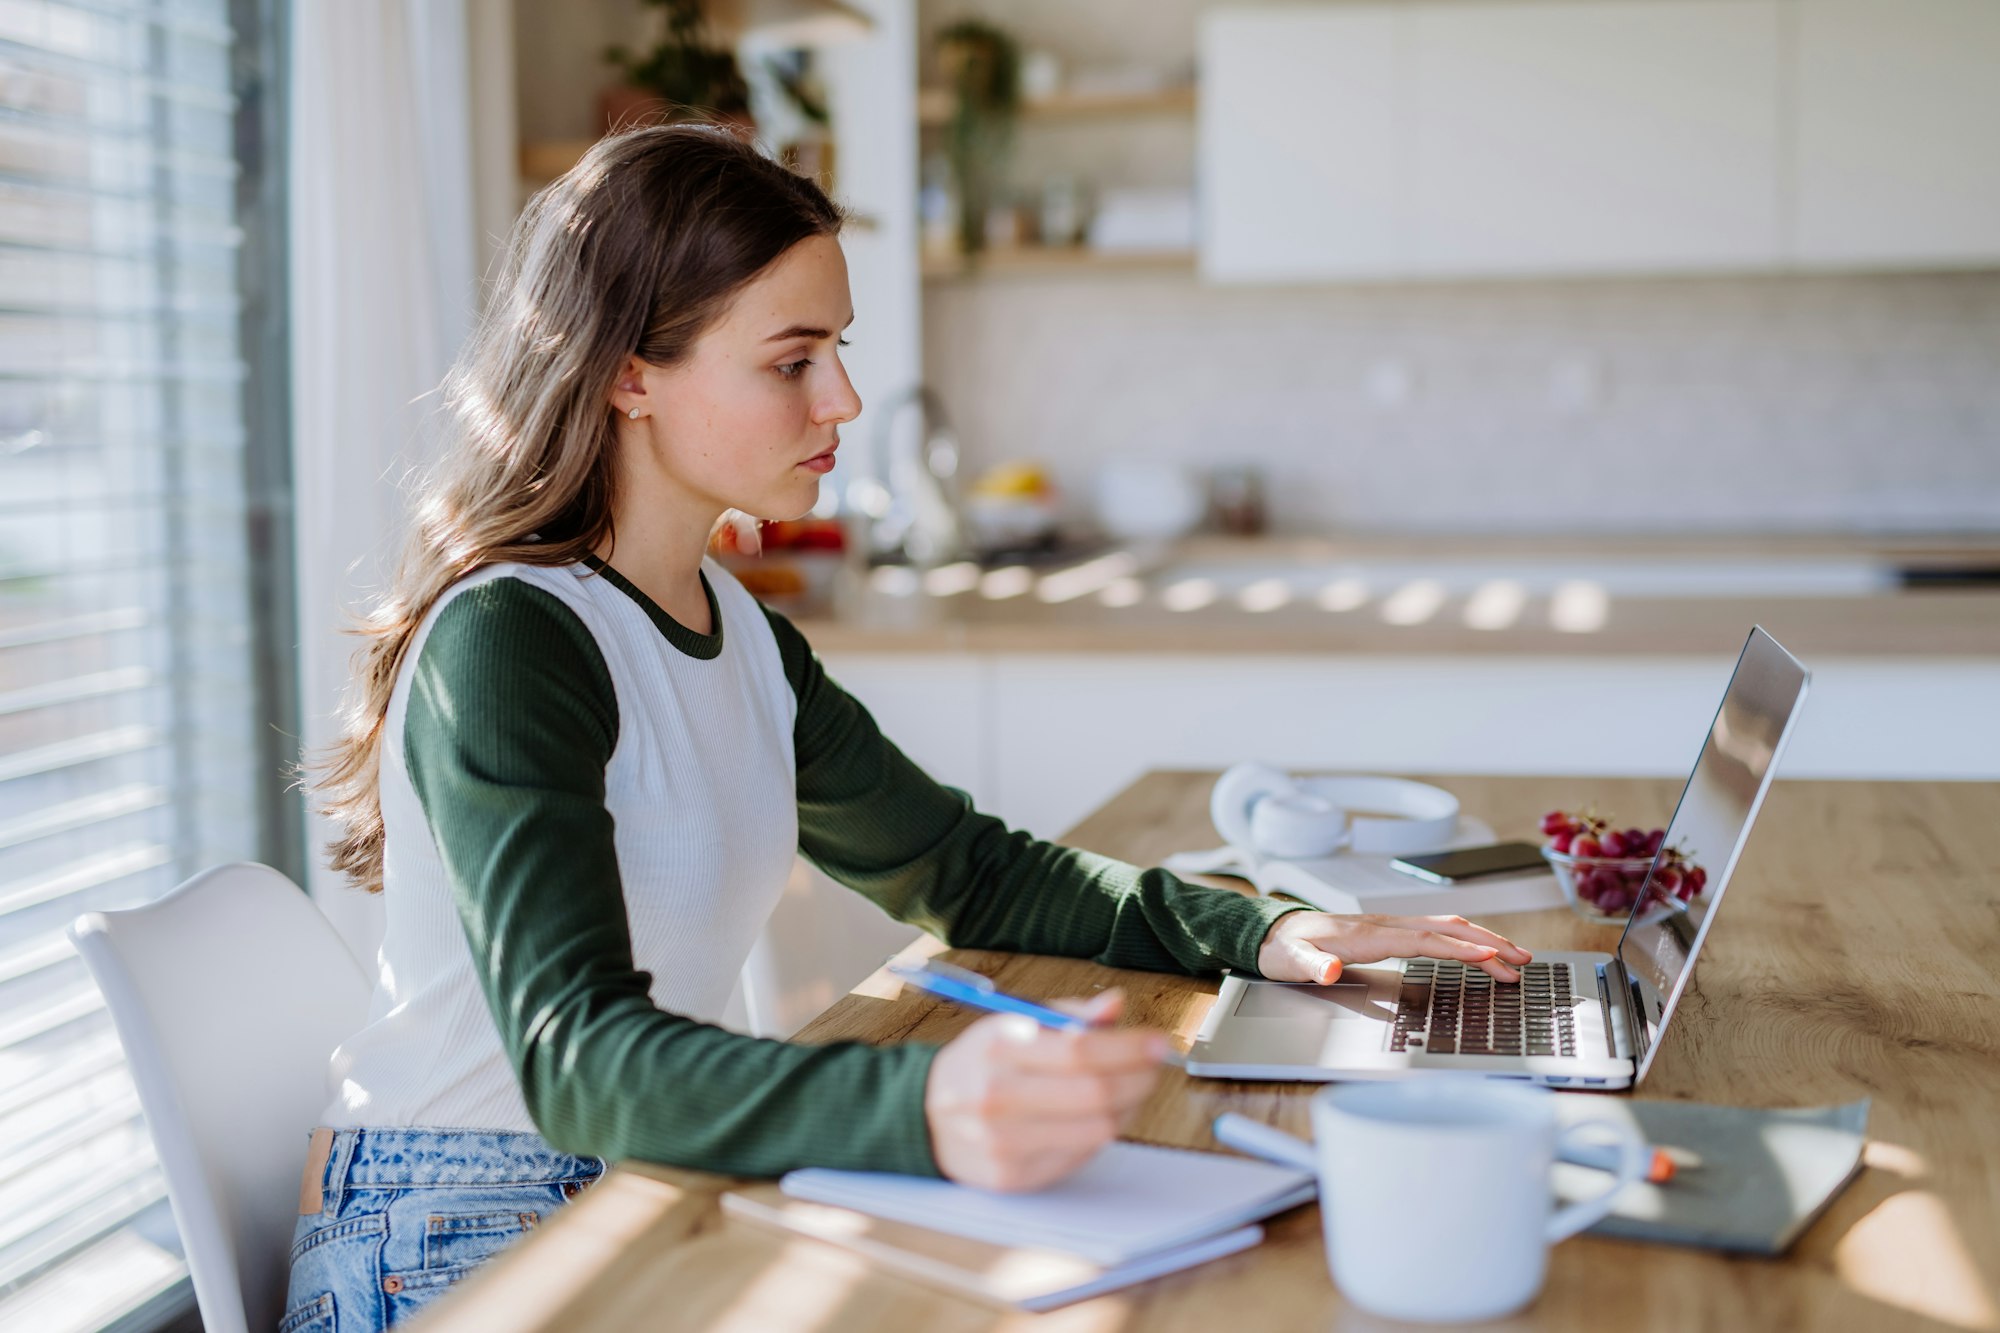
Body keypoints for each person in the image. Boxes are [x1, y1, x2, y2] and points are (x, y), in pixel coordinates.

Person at [289, 124, 1530, 1332]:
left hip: (637, 1173)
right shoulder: (511, 639)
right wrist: (926, 1098)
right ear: (629, 375)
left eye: (836, 348)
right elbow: (577, 1061)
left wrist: (1271, 931)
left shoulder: (733, 626)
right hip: (454, 1218)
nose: (844, 394)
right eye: (791, 360)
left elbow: (965, 871)